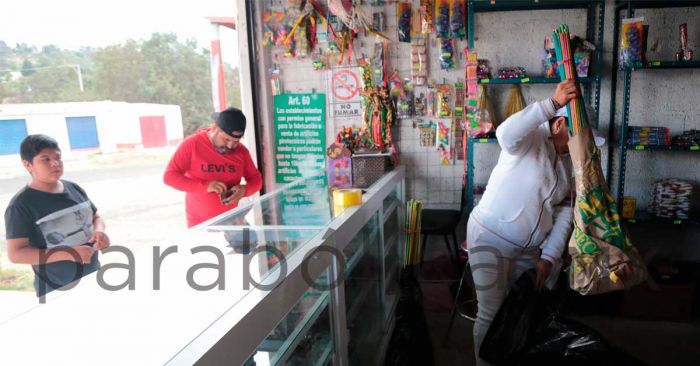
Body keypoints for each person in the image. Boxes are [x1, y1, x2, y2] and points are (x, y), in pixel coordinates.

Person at [467, 80, 596, 365]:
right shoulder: (530, 138)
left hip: (528, 250)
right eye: (578, 137)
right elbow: (503, 133)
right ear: (561, 124)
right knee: (491, 313)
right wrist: (551, 104)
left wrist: (548, 257)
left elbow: (565, 212)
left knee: (522, 309)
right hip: (489, 237)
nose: (579, 147)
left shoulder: (568, 164)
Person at [4, 134, 110, 297]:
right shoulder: (21, 205)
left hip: (93, 278)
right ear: (28, 165)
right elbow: (16, 254)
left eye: (57, 158)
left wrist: (99, 231)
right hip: (57, 290)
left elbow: (96, 218)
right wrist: (69, 253)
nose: (54, 164)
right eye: (45, 159)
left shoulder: (73, 188)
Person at [164, 107, 263, 227]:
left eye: (236, 141)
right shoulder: (192, 144)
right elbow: (169, 177)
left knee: (253, 242)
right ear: (215, 128)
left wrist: (244, 190)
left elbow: (256, 180)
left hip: (233, 222)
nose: (230, 146)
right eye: (226, 139)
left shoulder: (241, 151)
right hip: (201, 224)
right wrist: (205, 186)